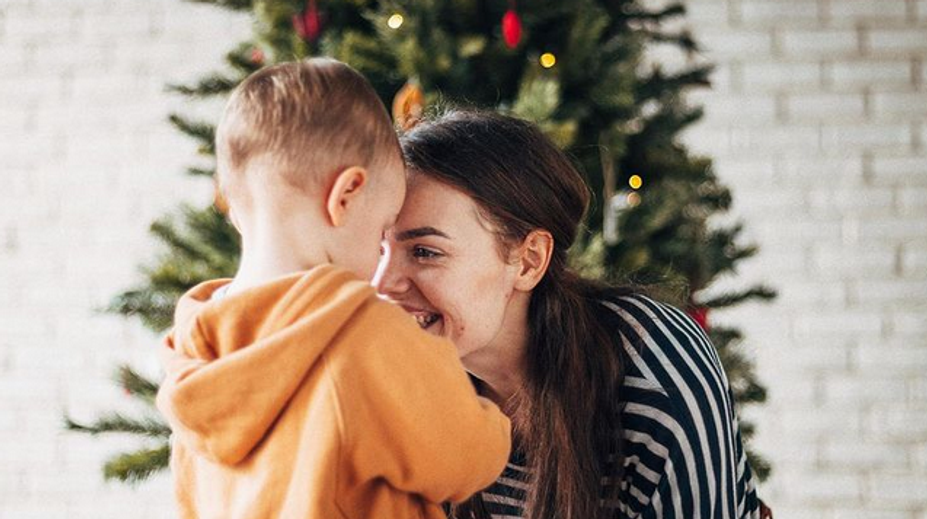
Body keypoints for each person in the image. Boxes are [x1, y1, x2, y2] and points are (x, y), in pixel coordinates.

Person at [155, 60, 510, 519]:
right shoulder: (358, 331)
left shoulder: (193, 350)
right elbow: (464, 457)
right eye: (383, 229)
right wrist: (494, 425)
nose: (382, 265)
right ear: (345, 196)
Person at [376, 110, 764, 519]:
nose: (381, 283)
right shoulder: (393, 388)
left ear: (528, 261)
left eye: (425, 252)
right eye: (378, 248)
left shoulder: (651, 368)